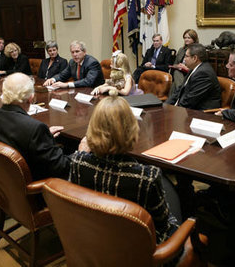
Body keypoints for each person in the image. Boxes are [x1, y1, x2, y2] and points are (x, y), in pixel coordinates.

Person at [69, 91, 182, 255]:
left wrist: (83, 153)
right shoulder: (147, 177)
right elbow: (164, 226)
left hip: (95, 243)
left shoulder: (78, 162)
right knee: (173, 195)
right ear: (132, 129)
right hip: (140, 254)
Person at [0, 73, 74, 180]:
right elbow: (61, 168)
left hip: (6, 183)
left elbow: (19, 138)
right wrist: (81, 152)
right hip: (36, 188)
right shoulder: (35, 128)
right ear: (31, 98)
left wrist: (45, 137)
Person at [166, 43, 221, 110]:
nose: (184, 59)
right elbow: (179, 91)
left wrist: (174, 110)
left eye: (186, 56)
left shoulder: (204, 73)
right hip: (188, 109)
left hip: (202, 113)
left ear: (195, 58)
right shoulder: (194, 69)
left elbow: (190, 100)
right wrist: (166, 106)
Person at [169, 29, 199, 96]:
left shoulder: (197, 50)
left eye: (189, 38)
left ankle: (180, 94)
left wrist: (186, 68)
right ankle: (179, 96)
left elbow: (199, 68)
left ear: (194, 39)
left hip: (190, 74)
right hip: (180, 72)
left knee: (176, 75)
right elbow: (175, 63)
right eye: (185, 38)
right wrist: (177, 66)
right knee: (174, 83)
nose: (186, 39)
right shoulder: (181, 50)